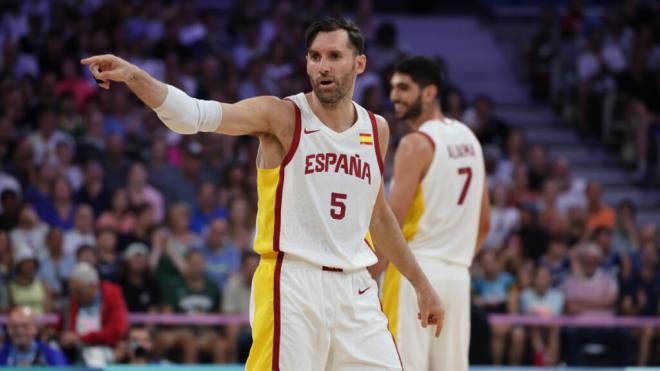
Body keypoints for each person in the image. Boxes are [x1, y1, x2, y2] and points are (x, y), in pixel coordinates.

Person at [82, 17, 443, 370]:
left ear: (359, 63)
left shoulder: (375, 129)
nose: (323, 66)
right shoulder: (281, 115)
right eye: (315, 57)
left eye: (335, 56)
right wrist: (135, 76)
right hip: (292, 282)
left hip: (357, 288)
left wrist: (421, 284)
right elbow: (192, 115)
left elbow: (378, 216)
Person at [377, 56, 490, 371]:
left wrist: (362, 277)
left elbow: (390, 225)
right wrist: (453, 259)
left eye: (403, 88)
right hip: (457, 275)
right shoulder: (469, 138)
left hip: (414, 274)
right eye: (392, 88)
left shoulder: (415, 144)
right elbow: (484, 223)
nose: (394, 96)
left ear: (428, 93)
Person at [0, 307, 69, 366]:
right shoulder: (2, 355)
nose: (19, 331)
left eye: (25, 326)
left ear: (35, 328)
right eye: (14, 326)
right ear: (8, 330)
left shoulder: (53, 356)